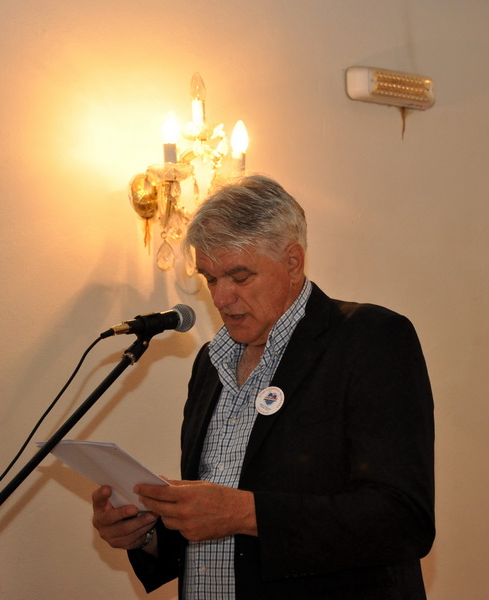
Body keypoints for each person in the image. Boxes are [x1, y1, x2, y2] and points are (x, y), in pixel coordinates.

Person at [92, 175, 435, 599]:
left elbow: (404, 519)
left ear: (292, 262)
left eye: (239, 276)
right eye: (210, 279)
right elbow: (213, 537)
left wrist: (247, 514)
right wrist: (145, 534)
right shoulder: (210, 363)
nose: (221, 298)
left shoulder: (369, 339)